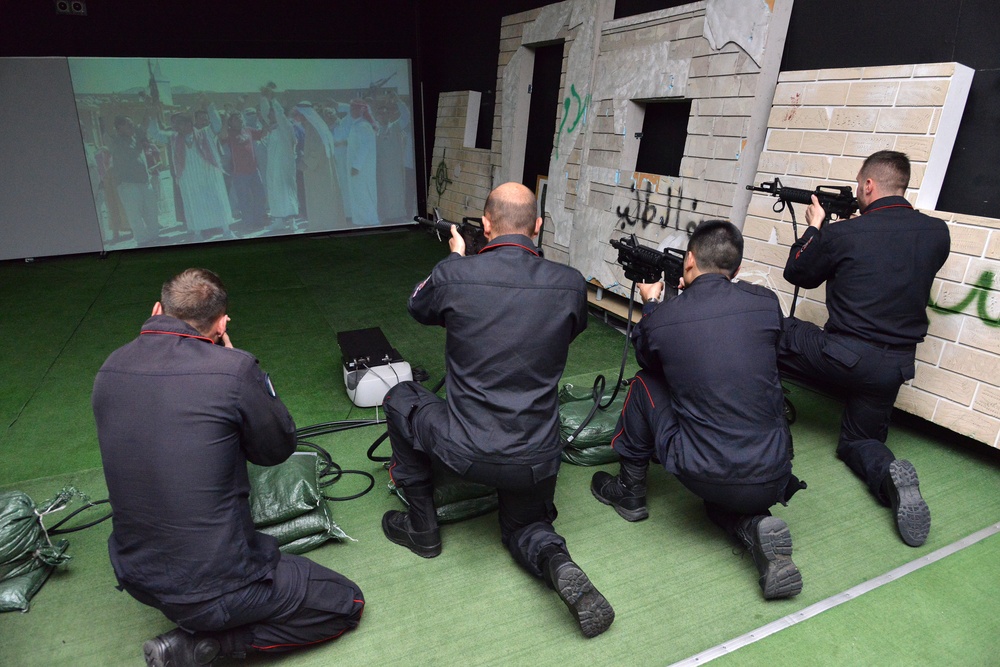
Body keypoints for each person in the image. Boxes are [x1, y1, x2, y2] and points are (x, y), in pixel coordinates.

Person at [93, 268, 364, 666]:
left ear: (157, 310)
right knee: (346, 602)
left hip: (137, 575)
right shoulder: (232, 370)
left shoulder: (109, 368)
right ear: (221, 324)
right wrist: (239, 367)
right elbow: (276, 450)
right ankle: (210, 646)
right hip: (216, 589)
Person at [381, 182, 614, 638]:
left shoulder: (455, 275)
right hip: (535, 458)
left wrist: (454, 259)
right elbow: (561, 334)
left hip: (465, 449)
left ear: (485, 225)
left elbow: (417, 305)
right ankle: (556, 561)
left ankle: (422, 527)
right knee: (526, 528)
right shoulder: (569, 284)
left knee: (400, 396)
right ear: (539, 227)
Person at [591, 220, 804, 600]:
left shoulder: (667, 319)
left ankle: (630, 491)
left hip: (705, 469)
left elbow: (649, 358)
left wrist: (653, 304)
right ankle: (754, 526)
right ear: (735, 269)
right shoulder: (765, 303)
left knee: (644, 383)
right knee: (719, 504)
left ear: (688, 261)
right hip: (774, 470)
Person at [779, 150, 951, 547]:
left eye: (859, 186)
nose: (857, 192)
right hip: (893, 368)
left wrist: (816, 228)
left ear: (869, 185)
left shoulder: (843, 235)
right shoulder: (937, 232)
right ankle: (889, 480)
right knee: (859, 442)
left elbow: (798, 273)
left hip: (844, 355)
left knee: (773, 329)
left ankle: (759, 412)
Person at [147, 109, 236, 241]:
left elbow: (217, 124)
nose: (177, 127)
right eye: (177, 124)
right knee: (193, 205)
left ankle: (227, 231)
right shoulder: (174, 138)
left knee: (217, 202)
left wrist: (209, 105)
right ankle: (198, 234)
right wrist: (152, 112)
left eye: (180, 124)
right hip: (189, 179)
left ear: (189, 123)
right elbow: (155, 133)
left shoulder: (205, 132)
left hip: (209, 176)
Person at [108, 115, 160, 246]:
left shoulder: (133, 139)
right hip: (127, 184)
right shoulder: (115, 141)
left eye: (132, 125)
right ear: (119, 127)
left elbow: (142, 128)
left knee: (151, 209)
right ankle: (142, 241)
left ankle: (154, 237)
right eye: (128, 125)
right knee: (134, 214)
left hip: (143, 180)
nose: (132, 127)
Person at [346, 99, 379, 227]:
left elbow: (364, 148)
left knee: (364, 194)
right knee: (358, 194)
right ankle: (361, 221)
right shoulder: (357, 125)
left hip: (361, 170)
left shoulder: (364, 126)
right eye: (351, 108)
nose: (352, 111)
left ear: (361, 111)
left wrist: (356, 166)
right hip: (357, 169)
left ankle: (370, 221)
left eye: (355, 108)